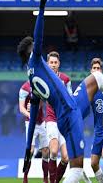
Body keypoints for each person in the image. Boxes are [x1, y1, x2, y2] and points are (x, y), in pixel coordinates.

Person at [18, 0, 103, 183]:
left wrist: (28, 148)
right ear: (32, 50)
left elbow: (35, 111)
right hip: (69, 115)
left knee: (96, 77)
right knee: (76, 169)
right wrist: (42, 4)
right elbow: (39, 32)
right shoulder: (35, 60)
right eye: (36, 46)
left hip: (74, 104)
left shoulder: (32, 78)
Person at [45, 51, 72, 183]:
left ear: (59, 64)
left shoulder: (66, 79)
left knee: (66, 157)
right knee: (54, 152)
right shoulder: (43, 79)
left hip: (64, 121)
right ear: (47, 64)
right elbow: (37, 97)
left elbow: (71, 99)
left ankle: (54, 181)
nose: (53, 65)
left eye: (56, 62)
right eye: (51, 62)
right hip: (51, 120)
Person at [19, 81, 49, 183]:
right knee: (30, 151)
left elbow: (42, 102)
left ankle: (45, 178)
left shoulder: (40, 85)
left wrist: (34, 106)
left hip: (41, 122)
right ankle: (25, 177)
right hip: (30, 123)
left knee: (45, 151)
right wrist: (29, 114)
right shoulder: (24, 88)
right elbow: (21, 108)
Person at [89, 57, 103, 183]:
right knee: (93, 163)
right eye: (94, 68)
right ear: (90, 71)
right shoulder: (89, 91)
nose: (96, 70)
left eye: (98, 68)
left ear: (101, 71)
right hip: (98, 130)